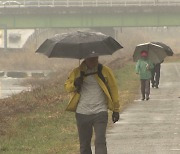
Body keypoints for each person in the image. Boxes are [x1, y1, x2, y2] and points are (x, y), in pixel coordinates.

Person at [64, 56, 120, 154]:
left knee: (100, 141)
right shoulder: (77, 72)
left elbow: (113, 88)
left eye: (95, 58)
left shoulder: (105, 71)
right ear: (85, 59)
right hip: (82, 113)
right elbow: (67, 87)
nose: (93, 60)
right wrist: (75, 83)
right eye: (90, 58)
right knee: (84, 145)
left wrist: (116, 109)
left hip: (100, 112)